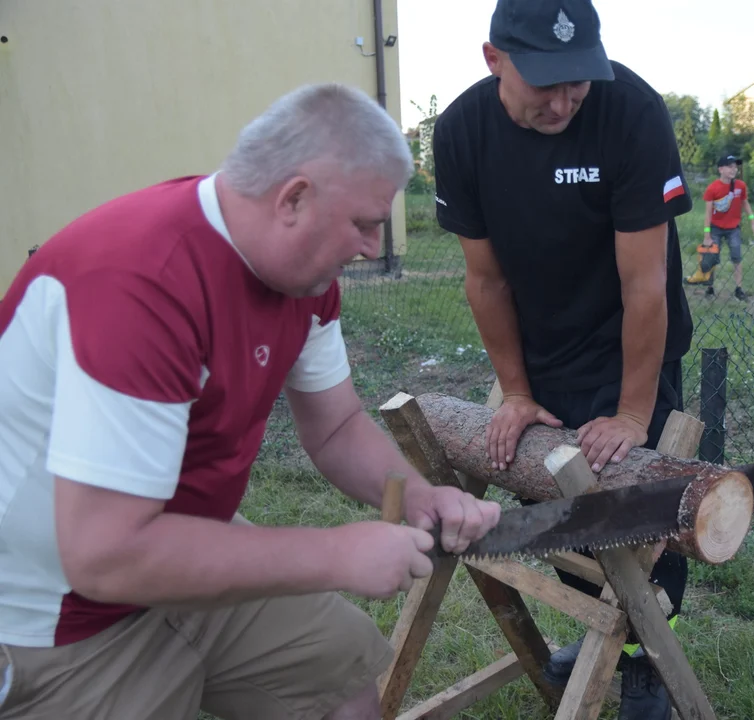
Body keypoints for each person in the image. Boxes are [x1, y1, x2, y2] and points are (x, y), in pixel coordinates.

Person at [0, 83, 502, 720]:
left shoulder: (300, 279)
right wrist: (335, 555)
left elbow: (338, 427)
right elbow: (105, 556)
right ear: (293, 198)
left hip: (178, 542)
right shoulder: (141, 283)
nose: (374, 248)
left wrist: (421, 495)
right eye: (365, 223)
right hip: (55, 610)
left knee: (340, 676)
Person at [432, 0, 693, 716]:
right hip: (543, 346)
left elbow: (645, 284)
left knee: (641, 511)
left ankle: (646, 655)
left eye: (577, 80)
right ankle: (612, 628)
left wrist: (634, 411)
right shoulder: (460, 132)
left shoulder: (632, 111)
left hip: (629, 348)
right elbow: (486, 280)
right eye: (545, 82)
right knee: (552, 503)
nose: (564, 99)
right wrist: (516, 392)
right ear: (494, 59)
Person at [685, 155, 754, 299]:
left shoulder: (740, 186)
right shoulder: (713, 188)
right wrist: (707, 235)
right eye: (730, 166)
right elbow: (707, 214)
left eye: (735, 167)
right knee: (712, 258)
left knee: (737, 257)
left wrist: (752, 221)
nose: (734, 170)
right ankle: (710, 288)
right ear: (721, 169)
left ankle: (738, 288)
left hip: (733, 229)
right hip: (716, 229)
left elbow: (745, 203)